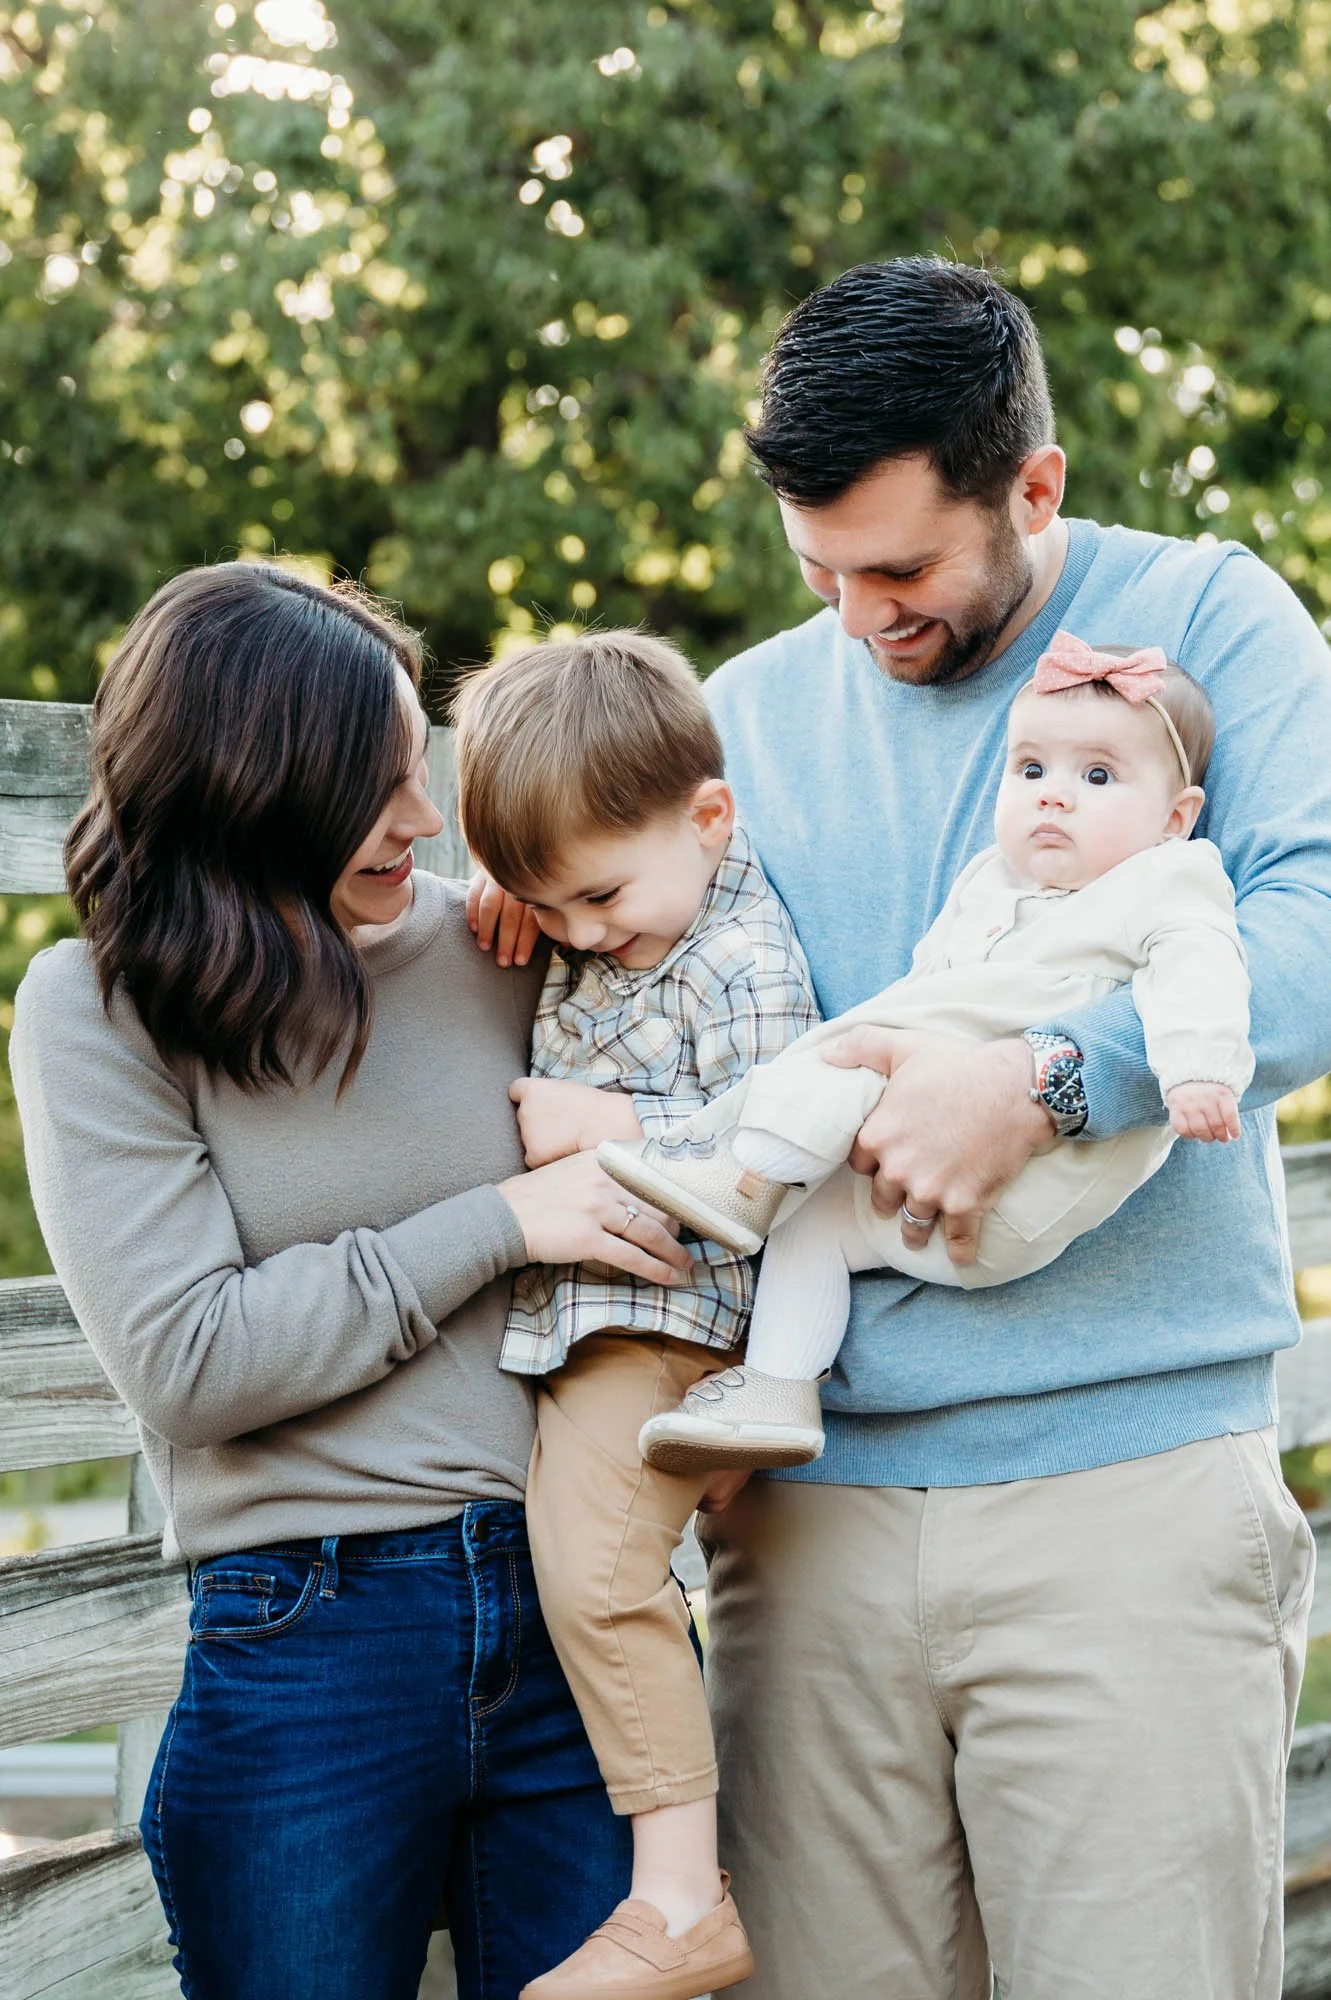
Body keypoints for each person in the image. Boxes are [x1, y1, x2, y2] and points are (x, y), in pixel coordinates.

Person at [470, 256, 1330, 1999]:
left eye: (902, 569)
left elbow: (1308, 929)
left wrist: (1041, 1083)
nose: (860, 621)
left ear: (1036, 486)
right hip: (805, 1523)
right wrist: (524, 902)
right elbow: (651, 950)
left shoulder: (1211, 624)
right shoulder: (750, 712)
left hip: (1126, 1505)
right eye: (818, 572)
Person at [8, 563, 699, 2000]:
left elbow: (733, 1028)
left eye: (419, 767)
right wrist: (502, 1221)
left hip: (575, 1612)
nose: (428, 818)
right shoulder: (98, 1010)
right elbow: (195, 1364)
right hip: (305, 1641)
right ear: (250, 786)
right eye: (378, 783)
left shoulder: (509, 936)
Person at [600, 637, 1253, 1471]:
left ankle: (744, 1173)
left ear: (1174, 817)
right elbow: (930, 981)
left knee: (853, 1057)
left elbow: (1203, 967)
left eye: (1096, 777)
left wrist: (1198, 1070)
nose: (1053, 798)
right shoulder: (993, 881)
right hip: (935, 1201)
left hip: (1031, 1175)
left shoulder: (1165, 880)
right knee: (814, 1229)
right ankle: (775, 1387)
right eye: (1029, 771)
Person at [450, 631, 819, 2000]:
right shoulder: (624, 893)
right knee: (591, 1568)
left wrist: (613, 1126)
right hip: (588, 1314)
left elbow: (785, 1152)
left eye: (595, 898)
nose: (580, 936)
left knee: (599, 1573)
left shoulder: (736, 962)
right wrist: (516, 885)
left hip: (661, 1310)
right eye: (549, 910)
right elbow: (567, 882)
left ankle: (678, 1903)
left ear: (710, 817)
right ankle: (662, 1887)